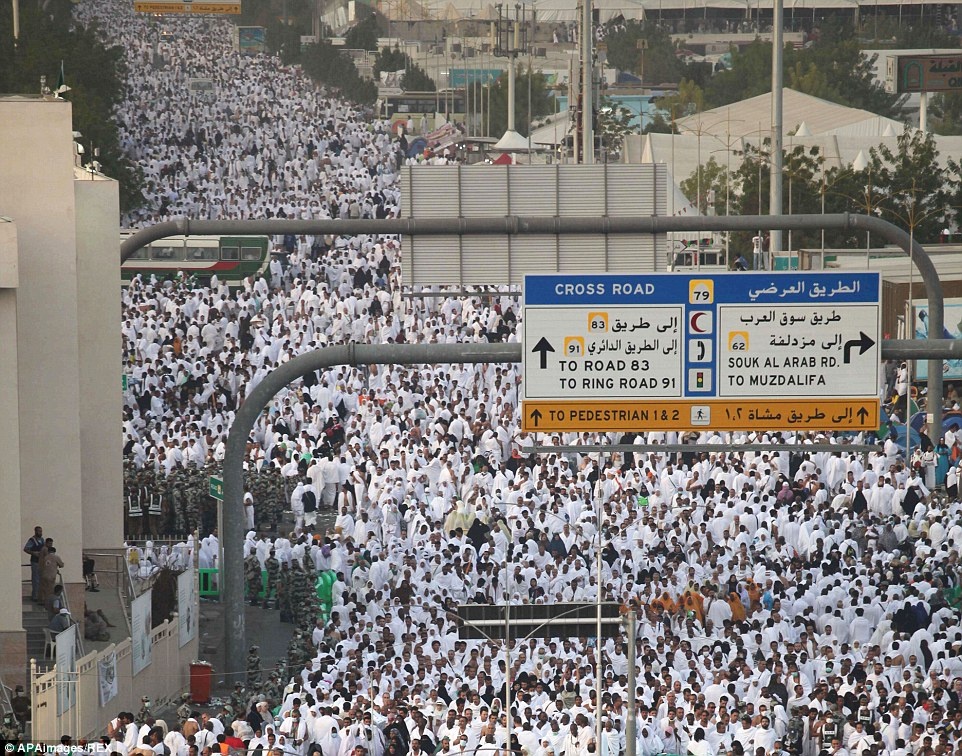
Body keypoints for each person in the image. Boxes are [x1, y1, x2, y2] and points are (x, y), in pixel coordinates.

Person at [23, 525, 45, 602]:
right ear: (35, 531)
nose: (40, 533)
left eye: (41, 531)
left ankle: (40, 595)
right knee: (35, 579)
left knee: (41, 579)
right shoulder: (32, 540)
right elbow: (25, 549)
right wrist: (33, 553)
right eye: (39, 531)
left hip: (41, 561)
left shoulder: (42, 540)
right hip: (35, 561)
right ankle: (35, 596)